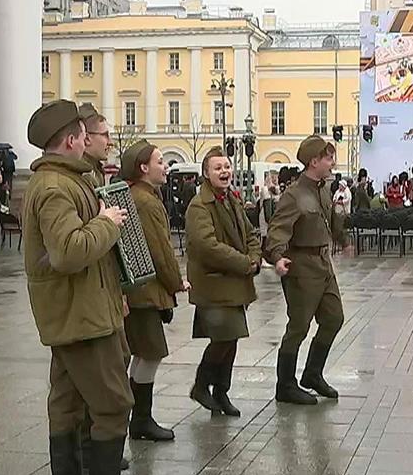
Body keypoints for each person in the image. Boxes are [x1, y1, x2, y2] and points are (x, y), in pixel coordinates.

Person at [22, 99, 159, 475]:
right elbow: (68, 251)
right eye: (84, 134)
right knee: (114, 403)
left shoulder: (64, 181)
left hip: (77, 310)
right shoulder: (55, 188)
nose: (90, 139)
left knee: (66, 404)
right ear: (70, 139)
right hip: (79, 315)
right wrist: (108, 222)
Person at [265, 135, 345, 405]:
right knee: (298, 327)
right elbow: (277, 229)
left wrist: (342, 237)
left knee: (334, 318)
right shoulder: (294, 195)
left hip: (323, 265)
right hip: (302, 267)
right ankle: (285, 385)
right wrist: (277, 257)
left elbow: (329, 218)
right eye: (328, 158)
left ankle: (312, 374)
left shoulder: (323, 188)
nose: (332, 163)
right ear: (314, 161)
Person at [120, 140, 188, 438]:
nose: (165, 167)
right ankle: (140, 421)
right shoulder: (146, 201)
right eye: (160, 162)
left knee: (143, 353)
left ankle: (138, 420)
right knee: (151, 353)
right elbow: (159, 249)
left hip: (139, 290)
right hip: (144, 293)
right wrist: (177, 282)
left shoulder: (140, 195)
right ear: (144, 168)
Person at [186, 146, 261, 415]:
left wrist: (254, 256)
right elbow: (207, 246)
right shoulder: (200, 206)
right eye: (217, 168)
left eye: (227, 167)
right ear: (206, 173)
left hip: (234, 283)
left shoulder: (232, 199)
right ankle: (201, 384)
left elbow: (251, 233)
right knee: (223, 338)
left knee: (232, 339)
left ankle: (221, 392)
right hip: (214, 284)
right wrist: (244, 263)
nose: (224, 171)